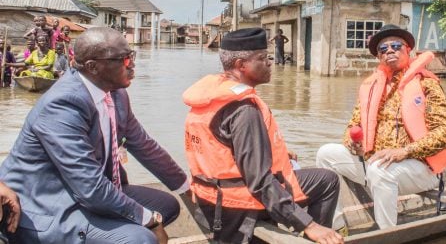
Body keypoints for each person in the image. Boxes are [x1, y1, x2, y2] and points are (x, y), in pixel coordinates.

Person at [0, 27, 189, 244]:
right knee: (141, 238)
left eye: (132, 56)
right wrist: (150, 221)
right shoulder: (62, 105)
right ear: (93, 67)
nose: (133, 64)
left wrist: (186, 186)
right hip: (48, 203)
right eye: (124, 59)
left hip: (84, 191)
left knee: (166, 205)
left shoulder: (116, 94)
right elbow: (90, 186)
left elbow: (144, 145)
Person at [183, 27, 343, 244]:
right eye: (263, 58)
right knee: (328, 182)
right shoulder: (243, 110)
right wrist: (309, 225)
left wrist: (280, 153)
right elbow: (258, 181)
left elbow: (224, 148)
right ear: (241, 65)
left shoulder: (208, 98)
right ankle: (316, 238)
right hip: (240, 204)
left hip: (212, 199)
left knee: (320, 178)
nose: (270, 63)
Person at [316, 24, 446, 230]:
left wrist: (404, 151)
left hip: (421, 168)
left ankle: (386, 234)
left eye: (396, 46)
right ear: (379, 57)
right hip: (376, 161)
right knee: (325, 153)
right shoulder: (371, 87)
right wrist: (354, 144)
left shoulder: (427, 84)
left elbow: (445, 133)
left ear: (408, 51)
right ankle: (336, 228)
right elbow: (354, 124)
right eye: (383, 49)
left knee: (379, 169)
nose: (389, 51)